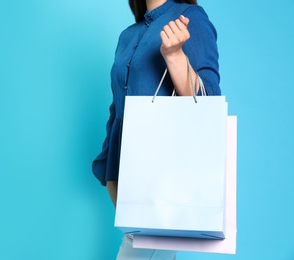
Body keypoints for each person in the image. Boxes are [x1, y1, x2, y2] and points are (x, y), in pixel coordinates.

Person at [92, 0, 221, 258]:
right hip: (131, 203)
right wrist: (109, 173)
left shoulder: (189, 17)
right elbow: (117, 110)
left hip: (163, 199)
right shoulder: (127, 36)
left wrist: (175, 56)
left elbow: (208, 109)